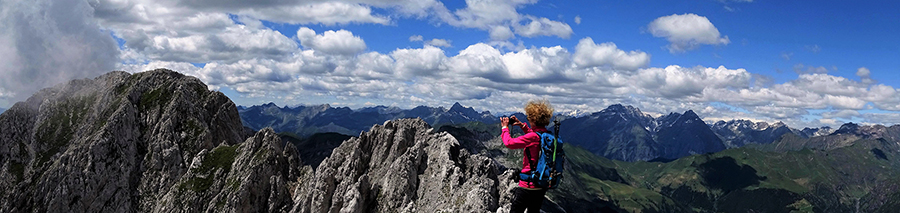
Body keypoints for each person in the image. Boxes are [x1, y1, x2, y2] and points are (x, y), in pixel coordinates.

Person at [500, 99, 553, 213]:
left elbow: (509, 143)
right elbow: (535, 136)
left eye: (529, 117)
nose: (528, 119)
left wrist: (505, 128)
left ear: (533, 119)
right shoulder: (547, 136)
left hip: (527, 185)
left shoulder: (533, 138)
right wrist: (522, 126)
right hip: (541, 185)